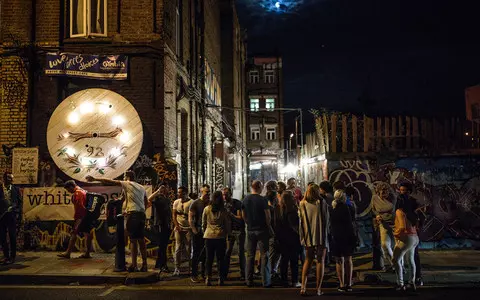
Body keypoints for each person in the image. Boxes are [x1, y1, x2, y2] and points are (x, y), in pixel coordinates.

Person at [86, 172, 148, 272]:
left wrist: (95, 178)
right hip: (141, 215)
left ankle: (134, 265)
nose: (123, 179)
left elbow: (110, 181)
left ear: (128, 177)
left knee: (133, 240)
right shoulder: (141, 187)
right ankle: (144, 265)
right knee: (141, 240)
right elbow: (145, 201)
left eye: (124, 177)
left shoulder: (128, 183)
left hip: (133, 215)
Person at [299, 183, 329, 296]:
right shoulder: (321, 203)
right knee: (320, 260)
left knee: (308, 260)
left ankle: (303, 287)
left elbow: (300, 222)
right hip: (321, 235)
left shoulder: (302, 203)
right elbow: (327, 220)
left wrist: (302, 237)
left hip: (308, 236)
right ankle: (318, 289)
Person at [242, 180, 273, 288]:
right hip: (262, 230)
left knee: (250, 255)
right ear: (259, 187)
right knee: (265, 255)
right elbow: (268, 216)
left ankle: (249, 280)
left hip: (250, 230)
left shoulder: (245, 199)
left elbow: (243, 215)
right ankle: (266, 281)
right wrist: (268, 227)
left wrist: (248, 223)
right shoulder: (263, 200)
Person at [57, 180, 94, 260]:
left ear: (71, 187)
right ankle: (87, 253)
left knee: (74, 233)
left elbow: (80, 207)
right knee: (87, 233)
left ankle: (68, 253)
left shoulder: (78, 193)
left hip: (81, 217)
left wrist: (78, 219)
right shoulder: (83, 191)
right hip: (86, 216)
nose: (68, 191)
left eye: (68, 189)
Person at [329, 190, 357, 292]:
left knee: (339, 260)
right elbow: (353, 221)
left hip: (336, 236)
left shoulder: (332, 209)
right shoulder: (350, 208)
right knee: (348, 260)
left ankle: (341, 284)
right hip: (348, 236)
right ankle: (349, 283)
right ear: (344, 198)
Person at [202, 191, 231, 286]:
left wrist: (205, 231)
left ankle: (208, 278)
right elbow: (227, 225)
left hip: (208, 236)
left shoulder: (207, 209)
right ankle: (220, 278)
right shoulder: (224, 210)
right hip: (220, 236)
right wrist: (228, 234)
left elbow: (203, 223)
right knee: (220, 259)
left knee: (209, 259)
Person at [398, 182, 424, 287]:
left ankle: (417, 278)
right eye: (401, 190)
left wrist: (416, 225)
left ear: (409, 191)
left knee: (413, 256)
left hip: (411, 232)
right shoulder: (399, 201)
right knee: (403, 257)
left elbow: (419, 216)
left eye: (404, 190)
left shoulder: (413, 202)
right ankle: (406, 280)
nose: (402, 192)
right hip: (402, 231)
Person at [392, 194, 419, 291]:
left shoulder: (399, 211)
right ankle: (412, 283)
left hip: (407, 238)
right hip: (415, 237)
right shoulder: (411, 211)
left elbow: (402, 227)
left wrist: (395, 233)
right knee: (411, 260)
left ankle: (400, 284)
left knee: (395, 260)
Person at [277, 191, 301, 287]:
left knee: (284, 260)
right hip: (292, 237)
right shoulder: (292, 210)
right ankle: (295, 281)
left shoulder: (278, 209)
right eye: (292, 196)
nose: (294, 196)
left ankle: (284, 280)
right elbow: (294, 226)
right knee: (294, 260)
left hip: (282, 237)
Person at [372, 182, 396, 271]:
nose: (384, 194)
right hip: (383, 224)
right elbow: (373, 209)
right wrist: (377, 215)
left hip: (394, 224)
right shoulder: (374, 198)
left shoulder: (393, 198)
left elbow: (392, 209)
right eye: (382, 192)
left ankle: (397, 266)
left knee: (396, 247)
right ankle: (395, 264)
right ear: (378, 192)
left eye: (386, 192)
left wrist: (381, 213)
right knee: (384, 245)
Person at [223, 187, 246, 281]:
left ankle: (243, 273)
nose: (224, 196)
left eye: (226, 194)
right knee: (227, 252)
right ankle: (224, 273)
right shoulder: (222, 204)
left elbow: (240, 217)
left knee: (241, 253)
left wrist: (231, 215)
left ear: (230, 194)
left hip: (238, 230)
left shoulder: (237, 203)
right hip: (229, 231)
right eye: (223, 194)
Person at [148, 185, 172, 271]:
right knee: (162, 245)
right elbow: (149, 199)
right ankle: (163, 265)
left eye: (165, 188)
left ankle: (159, 264)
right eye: (163, 188)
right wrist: (157, 191)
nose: (165, 190)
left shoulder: (167, 199)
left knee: (163, 245)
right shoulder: (158, 198)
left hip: (166, 224)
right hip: (160, 224)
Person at [189, 184, 210, 282]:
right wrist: (194, 230)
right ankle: (194, 274)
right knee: (196, 254)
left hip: (207, 232)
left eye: (209, 192)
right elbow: (191, 218)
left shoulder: (210, 203)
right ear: (201, 192)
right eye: (206, 192)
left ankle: (203, 274)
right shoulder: (195, 203)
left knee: (205, 254)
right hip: (198, 231)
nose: (208, 194)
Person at [0, 172, 22, 264]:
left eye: (12, 178)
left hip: (12, 215)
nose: (11, 179)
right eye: (9, 178)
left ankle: (12, 257)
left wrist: (16, 210)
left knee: (12, 236)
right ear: (4, 179)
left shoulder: (16, 189)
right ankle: (6, 256)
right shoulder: (0, 189)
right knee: (2, 237)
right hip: (1, 216)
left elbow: (19, 202)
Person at [172, 186, 193, 276]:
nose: (179, 194)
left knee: (189, 248)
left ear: (185, 193)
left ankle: (190, 267)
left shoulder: (191, 202)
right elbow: (174, 215)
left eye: (181, 192)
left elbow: (193, 215)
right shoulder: (176, 202)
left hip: (188, 228)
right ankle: (177, 268)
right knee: (178, 248)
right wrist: (177, 225)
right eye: (178, 192)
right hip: (179, 228)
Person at [264, 180, 281, 278]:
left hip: (272, 231)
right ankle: (271, 272)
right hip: (272, 231)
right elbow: (269, 220)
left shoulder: (270, 205)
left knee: (272, 252)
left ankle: (271, 270)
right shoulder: (270, 207)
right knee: (272, 252)